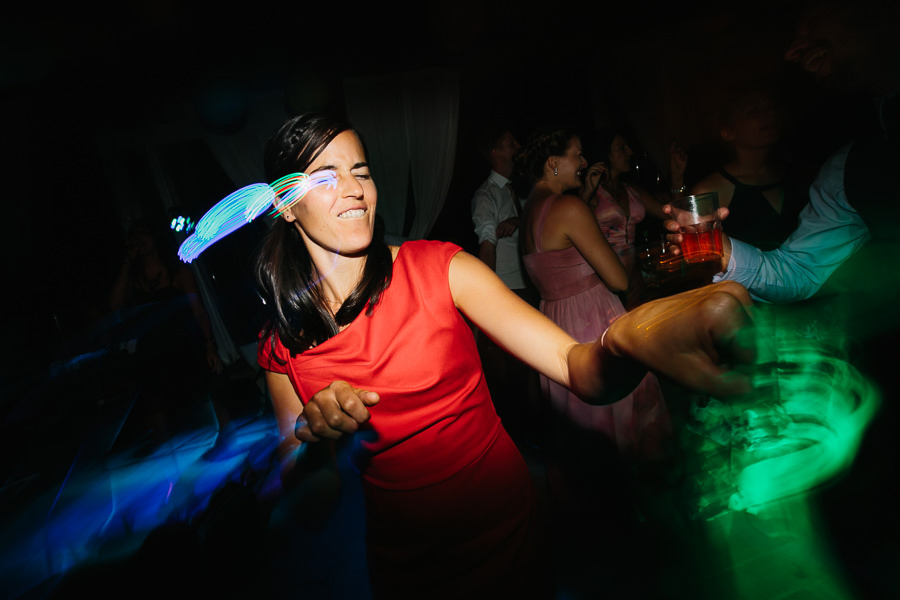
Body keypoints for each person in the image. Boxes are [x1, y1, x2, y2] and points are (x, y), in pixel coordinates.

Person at [252, 112, 756, 599]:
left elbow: (576, 368)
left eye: (360, 171)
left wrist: (629, 340)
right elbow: (312, 508)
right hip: (406, 560)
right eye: (325, 176)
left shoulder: (441, 268)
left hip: (503, 530)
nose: (355, 188)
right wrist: (317, 445)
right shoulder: (283, 344)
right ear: (285, 205)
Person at [109, 218, 223, 452]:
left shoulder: (177, 271)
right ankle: (165, 460)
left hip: (185, 344)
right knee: (156, 407)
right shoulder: (134, 278)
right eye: (134, 234)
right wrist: (126, 264)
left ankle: (223, 442)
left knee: (206, 393)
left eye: (143, 231)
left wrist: (209, 345)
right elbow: (114, 307)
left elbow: (199, 311)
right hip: (152, 350)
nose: (138, 238)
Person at [469, 125, 540, 443]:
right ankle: (523, 445)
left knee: (536, 373)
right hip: (509, 291)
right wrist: (486, 301)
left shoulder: (523, 190)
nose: (518, 145)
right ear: (495, 151)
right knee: (515, 380)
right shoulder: (485, 196)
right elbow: (486, 244)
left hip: (535, 286)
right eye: (510, 141)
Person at [687, 82, 813, 252]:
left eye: (773, 108)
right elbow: (702, 253)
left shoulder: (802, 173)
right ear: (727, 131)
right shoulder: (709, 190)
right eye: (754, 111)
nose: (770, 115)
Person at [579, 129, 686, 308]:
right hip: (602, 277)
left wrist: (677, 176)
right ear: (606, 155)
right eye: (622, 148)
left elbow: (673, 214)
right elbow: (575, 225)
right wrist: (586, 193)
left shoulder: (632, 191)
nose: (630, 152)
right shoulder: (592, 192)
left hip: (634, 274)